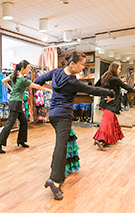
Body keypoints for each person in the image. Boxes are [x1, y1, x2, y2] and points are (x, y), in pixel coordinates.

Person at [34, 51, 115, 200]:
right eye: (82, 64)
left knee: (62, 143)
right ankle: (55, 180)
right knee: (61, 146)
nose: (83, 67)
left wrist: (50, 88)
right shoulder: (72, 81)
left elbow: (37, 80)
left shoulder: (56, 72)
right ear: (72, 64)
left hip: (52, 114)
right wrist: (111, 92)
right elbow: (93, 90)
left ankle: (57, 174)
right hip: (63, 116)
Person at [0, 60, 52, 154]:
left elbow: (3, 81)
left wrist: (11, 89)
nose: (29, 70)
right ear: (23, 69)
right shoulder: (23, 80)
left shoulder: (14, 76)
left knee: (24, 122)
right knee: (9, 124)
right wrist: (48, 90)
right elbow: (37, 87)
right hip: (15, 104)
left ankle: (21, 140)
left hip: (15, 102)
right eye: (28, 68)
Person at [93, 62, 135, 151]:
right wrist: (108, 95)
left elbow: (96, 87)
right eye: (119, 69)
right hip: (110, 104)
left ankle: (109, 140)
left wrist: (104, 94)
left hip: (104, 103)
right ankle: (100, 140)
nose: (119, 70)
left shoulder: (104, 77)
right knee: (106, 122)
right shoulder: (115, 79)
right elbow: (127, 87)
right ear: (114, 69)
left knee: (111, 121)